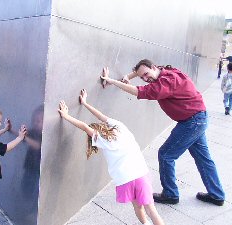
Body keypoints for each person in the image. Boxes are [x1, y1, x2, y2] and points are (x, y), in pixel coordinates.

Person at [100, 59, 225, 206]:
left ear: (153, 67)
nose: (146, 79)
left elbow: (139, 91)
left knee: (166, 155)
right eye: (143, 77)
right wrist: (128, 76)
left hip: (192, 122)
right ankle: (216, 195)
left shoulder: (167, 82)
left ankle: (170, 194)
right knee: (204, 159)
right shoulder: (164, 70)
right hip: (198, 118)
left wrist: (111, 81)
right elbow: (140, 70)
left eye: (146, 74)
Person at [58, 89, 164, 225]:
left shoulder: (103, 140)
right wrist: (85, 103)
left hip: (125, 178)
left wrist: (66, 116)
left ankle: (145, 224)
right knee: (151, 209)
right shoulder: (121, 127)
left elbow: (85, 127)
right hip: (140, 174)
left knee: (137, 206)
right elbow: (101, 116)